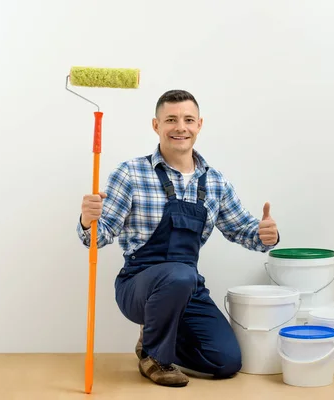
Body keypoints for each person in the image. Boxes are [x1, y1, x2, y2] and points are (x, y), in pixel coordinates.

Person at [76, 89, 280, 387]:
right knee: (180, 274)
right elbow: (98, 237)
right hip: (138, 285)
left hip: (187, 288)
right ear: (156, 125)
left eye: (188, 119)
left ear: (199, 125)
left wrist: (265, 235)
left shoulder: (215, 181)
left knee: (226, 362)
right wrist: (88, 219)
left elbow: (243, 230)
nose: (180, 127)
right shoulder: (131, 173)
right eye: (170, 119)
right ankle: (154, 356)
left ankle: (159, 339)